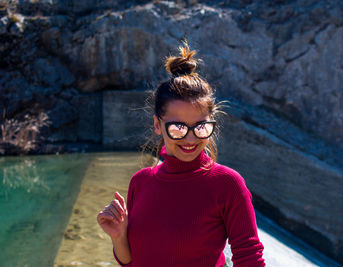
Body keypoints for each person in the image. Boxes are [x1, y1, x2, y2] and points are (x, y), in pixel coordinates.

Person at [97, 41, 266, 267]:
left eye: (200, 127)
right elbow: (133, 262)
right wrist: (119, 237)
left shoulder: (228, 184)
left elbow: (250, 260)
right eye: (177, 128)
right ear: (158, 125)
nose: (190, 139)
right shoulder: (141, 182)